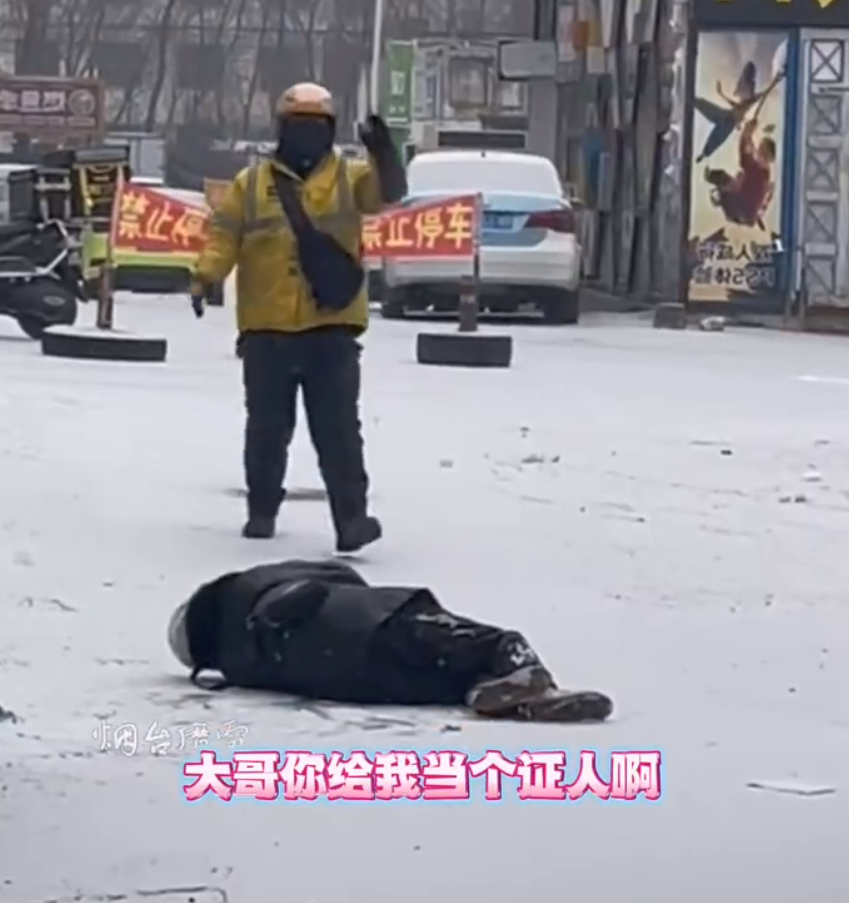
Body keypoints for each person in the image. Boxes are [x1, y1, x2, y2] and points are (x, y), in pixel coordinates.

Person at [189, 83, 407, 552]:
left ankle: (351, 520)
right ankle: (262, 511)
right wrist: (206, 276)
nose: (307, 135)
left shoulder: (351, 178)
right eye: (298, 126)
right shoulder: (251, 184)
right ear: (282, 129)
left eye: (316, 126)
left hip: (332, 326)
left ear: (330, 130)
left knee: (339, 432)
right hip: (266, 326)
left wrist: (386, 156)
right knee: (267, 429)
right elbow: (224, 234)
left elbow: (386, 194)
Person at [167, 559, 614, 723]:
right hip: (372, 623)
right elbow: (341, 574)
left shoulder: (240, 666)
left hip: (359, 680)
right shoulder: (250, 586)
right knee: (491, 643)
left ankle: (495, 693)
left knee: (448, 675)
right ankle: (528, 676)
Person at [694, 63, 782, 164]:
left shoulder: (750, 100)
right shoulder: (743, 100)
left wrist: (775, 81)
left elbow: (764, 94)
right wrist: (721, 93)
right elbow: (735, 105)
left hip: (728, 123)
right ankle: (693, 100)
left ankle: (704, 154)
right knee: (706, 107)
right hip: (725, 116)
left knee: (716, 139)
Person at [704, 109, 776, 231]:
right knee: (736, 177)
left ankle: (716, 188)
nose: (758, 150)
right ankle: (718, 188)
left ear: (764, 153)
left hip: (739, 208)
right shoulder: (765, 172)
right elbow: (750, 152)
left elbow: (745, 155)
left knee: (725, 178)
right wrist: (748, 135)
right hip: (748, 213)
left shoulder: (757, 169)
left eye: (760, 148)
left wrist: (746, 134)